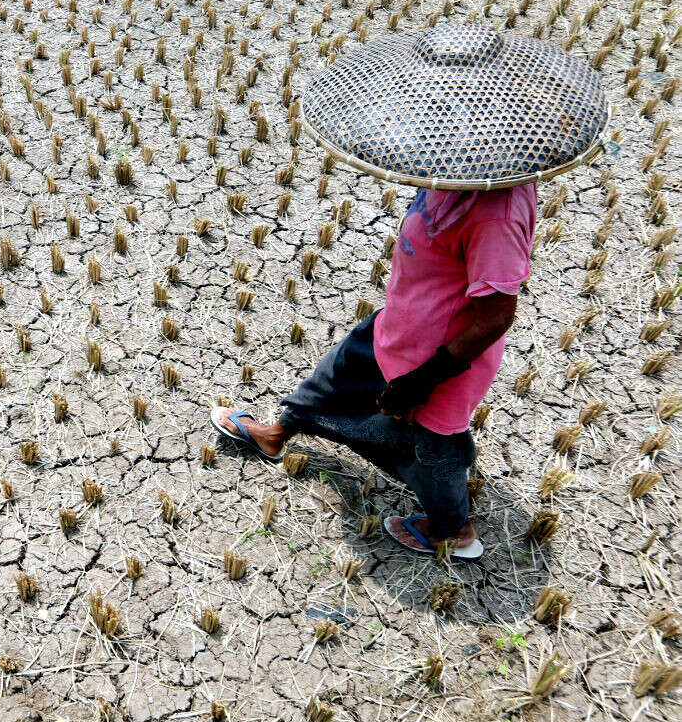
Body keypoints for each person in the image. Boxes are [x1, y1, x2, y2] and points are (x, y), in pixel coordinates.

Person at [211, 185, 537, 560]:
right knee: (336, 377)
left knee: (435, 448)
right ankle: (276, 433)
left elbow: (496, 317)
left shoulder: (498, 213)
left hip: (441, 364)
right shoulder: (451, 166)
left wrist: (422, 381)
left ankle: (452, 531)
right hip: (398, 327)